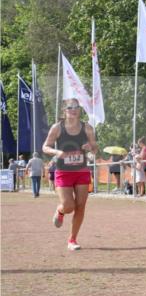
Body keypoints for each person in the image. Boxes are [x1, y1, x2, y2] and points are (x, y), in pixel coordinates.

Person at [42, 98, 99, 250]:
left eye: (76, 107)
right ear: (64, 110)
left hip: (81, 171)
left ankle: (72, 240)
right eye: (70, 107)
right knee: (69, 206)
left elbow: (95, 148)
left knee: (81, 206)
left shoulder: (87, 128)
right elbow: (45, 147)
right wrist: (56, 152)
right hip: (64, 172)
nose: (73, 109)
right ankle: (60, 210)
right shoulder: (57, 128)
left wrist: (90, 147)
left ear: (79, 109)